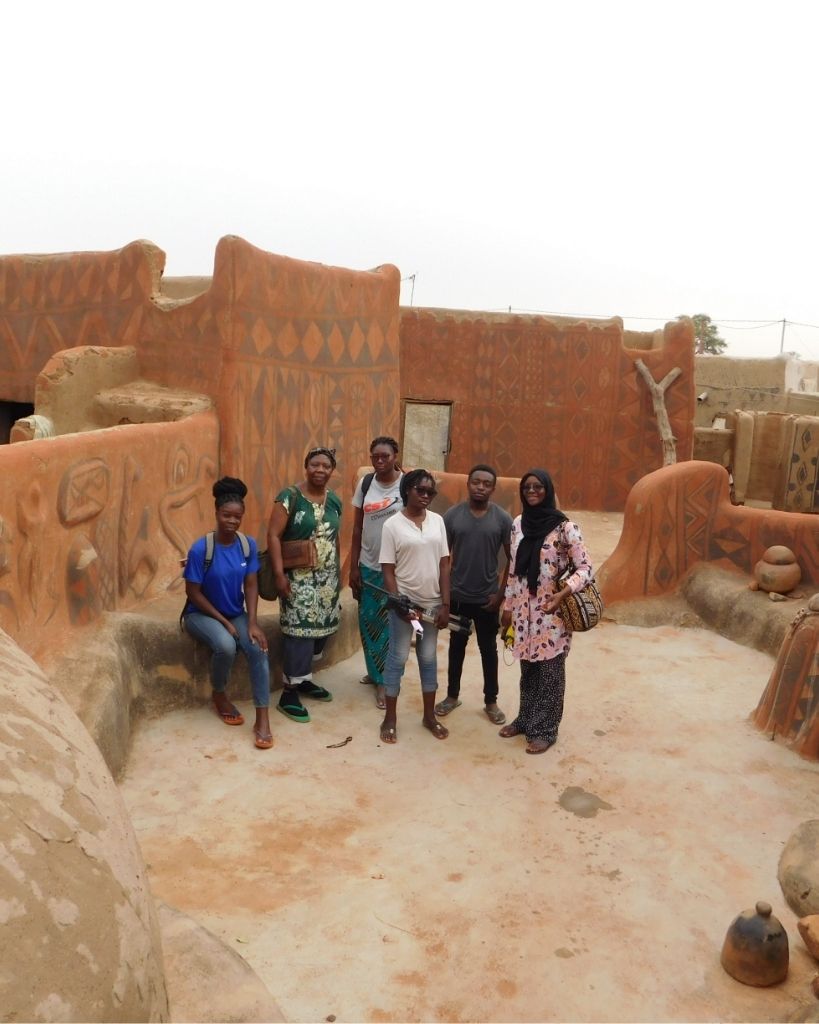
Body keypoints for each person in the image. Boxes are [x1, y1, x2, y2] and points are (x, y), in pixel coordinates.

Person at [499, 469, 593, 754]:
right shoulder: (518, 524)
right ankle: (526, 720)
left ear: (548, 489)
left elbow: (586, 568)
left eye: (538, 486)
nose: (532, 491)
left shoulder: (565, 528)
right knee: (528, 669)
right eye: (527, 487)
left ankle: (546, 729)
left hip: (552, 614)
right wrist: (507, 609)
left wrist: (563, 593)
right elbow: (514, 571)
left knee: (550, 673)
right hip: (524, 613)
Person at [182, 477, 272, 750]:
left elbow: (251, 582)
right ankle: (219, 694)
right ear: (216, 514)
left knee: (257, 648)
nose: (232, 521)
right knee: (225, 645)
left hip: (235, 613)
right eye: (226, 515)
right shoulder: (201, 549)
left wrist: (252, 622)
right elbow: (193, 592)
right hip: (200, 614)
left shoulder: (247, 545)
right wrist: (223, 622)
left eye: (237, 516)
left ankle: (262, 720)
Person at [266, 447, 342, 723]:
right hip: (297, 579)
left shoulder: (334, 500)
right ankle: (289, 692)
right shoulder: (290, 497)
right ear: (306, 466)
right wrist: (278, 574)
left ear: (332, 470)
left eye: (326, 466)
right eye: (315, 464)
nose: (320, 470)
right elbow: (273, 535)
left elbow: (335, 538)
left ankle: (304, 679)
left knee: (321, 631)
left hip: (327, 581)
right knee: (299, 633)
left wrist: (338, 576)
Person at [435, 464, 512, 726]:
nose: (480, 487)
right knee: (456, 648)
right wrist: (444, 599)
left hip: (487, 600)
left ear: (493, 488)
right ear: (468, 484)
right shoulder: (452, 516)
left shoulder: (502, 519)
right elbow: (443, 559)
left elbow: (512, 560)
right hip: (458, 596)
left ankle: (491, 701)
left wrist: (500, 596)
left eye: (486, 483)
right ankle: (452, 696)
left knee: (488, 650)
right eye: (476, 482)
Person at [378, 468, 450, 744]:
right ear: (407, 489)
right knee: (397, 658)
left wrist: (445, 603)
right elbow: (387, 570)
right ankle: (390, 718)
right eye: (420, 490)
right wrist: (399, 602)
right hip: (404, 603)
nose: (425, 496)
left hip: (432, 604)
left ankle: (429, 716)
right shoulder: (392, 526)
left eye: (430, 492)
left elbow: (444, 564)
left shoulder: (438, 522)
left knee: (428, 658)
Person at [349, 436, 403, 710]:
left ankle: (385, 681)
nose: (380, 461)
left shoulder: (406, 485)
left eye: (385, 456)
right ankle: (374, 672)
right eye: (375, 457)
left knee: (391, 625)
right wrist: (353, 566)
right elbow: (357, 528)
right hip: (368, 565)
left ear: (396, 455)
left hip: (397, 569)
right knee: (369, 621)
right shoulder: (366, 484)